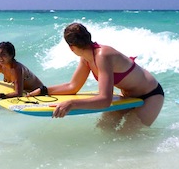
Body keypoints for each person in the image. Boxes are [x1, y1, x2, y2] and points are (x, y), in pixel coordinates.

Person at [28, 23, 164, 134]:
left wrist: (71, 104)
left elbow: (105, 100)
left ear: (71, 47)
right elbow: (73, 86)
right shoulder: (86, 58)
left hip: (150, 96)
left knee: (125, 137)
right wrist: (43, 90)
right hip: (127, 97)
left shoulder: (103, 56)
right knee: (104, 128)